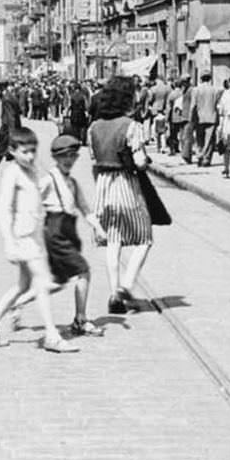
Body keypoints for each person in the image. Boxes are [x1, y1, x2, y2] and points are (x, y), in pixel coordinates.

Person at [0, 127, 80, 353]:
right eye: (25, 152)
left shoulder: (32, 171)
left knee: (23, 286)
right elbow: (4, 209)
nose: (30, 156)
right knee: (42, 282)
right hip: (23, 237)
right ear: (12, 151)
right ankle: (51, 336)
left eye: (33, 150)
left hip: (34, 235)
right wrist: (8, 241)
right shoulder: (12, 173)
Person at [6, 134, 109, 337]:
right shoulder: (49, 180)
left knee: (55, 282)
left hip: (68, 232)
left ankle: (18, 302)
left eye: (72, 156)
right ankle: (80, 319)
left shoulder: (73, 183)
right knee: (83, 271)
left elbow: (85, 208)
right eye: (63, 156)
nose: (68, 160)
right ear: (55, 158)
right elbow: (30, 198)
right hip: (54, 233)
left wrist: (98, 228)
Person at [89, 78, 153, 313]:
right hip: (125, 185)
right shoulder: (131, 126)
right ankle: (126, 285)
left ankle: (113, 291)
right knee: (144, 238)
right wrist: (145, 161)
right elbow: (139, 161)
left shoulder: (94, 127)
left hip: (103, 187)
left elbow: (94, 160)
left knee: (113, 241)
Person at [190, 73, 223, 167]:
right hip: (212, 116)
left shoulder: (196, 90)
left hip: (199, 117)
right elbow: (218, 105)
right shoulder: (216, 90)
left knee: (199, 138)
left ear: (201, 79)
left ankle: (200, 155)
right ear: (210, 79)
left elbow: (193, 105)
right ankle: (206, 158)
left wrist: (191, 118)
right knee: (209, 139)